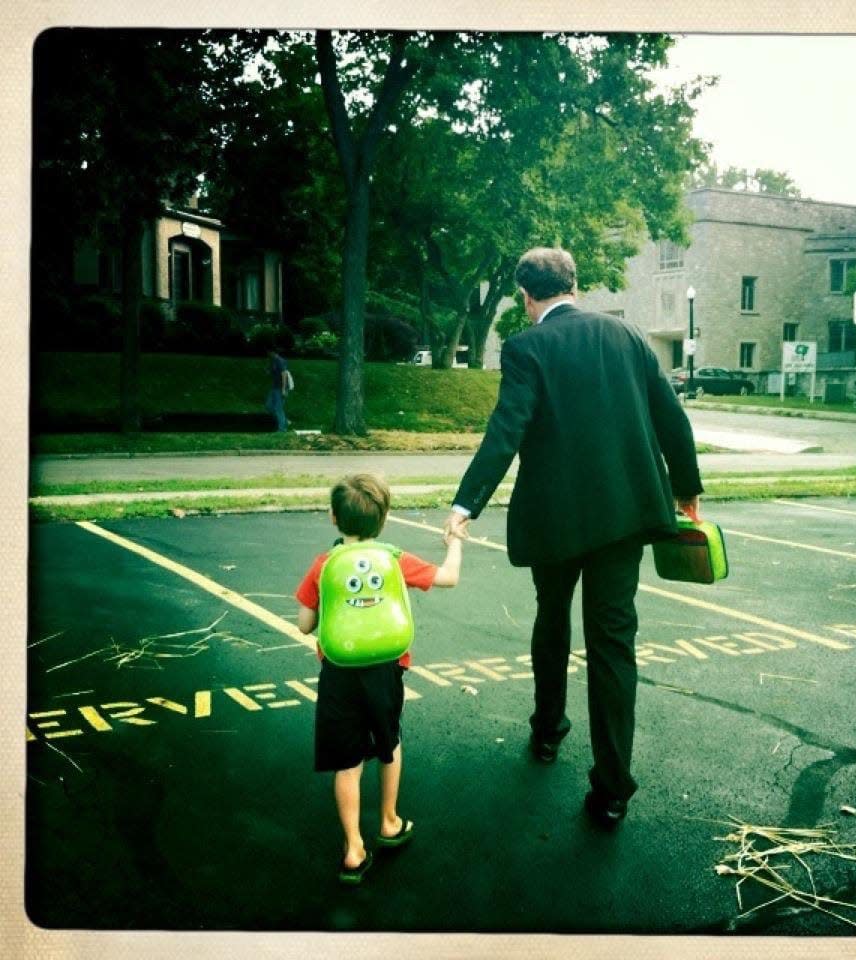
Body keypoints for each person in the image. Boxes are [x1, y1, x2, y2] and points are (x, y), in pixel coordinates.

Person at [445, 247, 702, 830]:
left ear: (527, 296)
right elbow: (672, 418)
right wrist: (686, 488)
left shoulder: (527, 347)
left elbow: (506, 428)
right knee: (613, 644)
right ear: (575, 285)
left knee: (552, 620)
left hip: (556, 520)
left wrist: (467, 503)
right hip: (625, 517)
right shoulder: (629, 336)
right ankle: (613, 788)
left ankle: (546, 731)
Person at [296, 473, 464, 883]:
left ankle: (353, 849)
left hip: (339, 675)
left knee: (348, 764)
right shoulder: (394, 559)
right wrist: (455, 542)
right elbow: (448, 577)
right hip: (387, 672)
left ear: (334, 518)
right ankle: (389, 821)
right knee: (389, 744)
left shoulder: (324, 565)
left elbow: (304, 624)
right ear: (383, 519)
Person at [265, 349, 290, 431]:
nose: (268, 354)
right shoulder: (274, 361)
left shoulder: (280, 361)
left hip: (280, 388)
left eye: (269, 352)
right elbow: (272, 372)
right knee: (269, 406)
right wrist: (268, 371)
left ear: (273, 352)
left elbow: (284, 375)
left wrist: (284, 389)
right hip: (274, 387)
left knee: (278, 408)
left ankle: (282, 429)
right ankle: (285, 421)